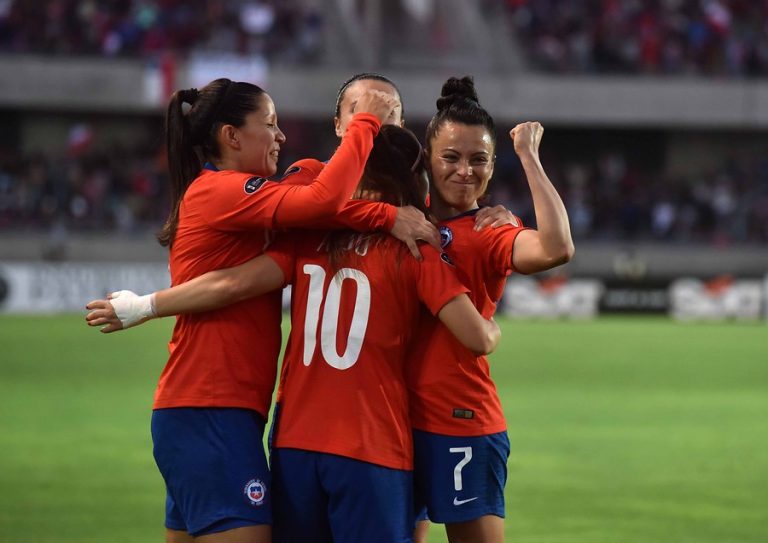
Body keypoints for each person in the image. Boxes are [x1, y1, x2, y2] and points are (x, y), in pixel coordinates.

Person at [86, 125, 504, 543]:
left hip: (295, 444)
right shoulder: (416, 250)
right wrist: (492, 325)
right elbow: (476, 339)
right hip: (370, 442)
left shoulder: (306, 239)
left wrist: (145, 305)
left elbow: (230, 284)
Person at [98, 76, 397, 543]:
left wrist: (391, 215)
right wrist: (365, 125)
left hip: (205, 409)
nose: (280, 136)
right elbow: (322, 203)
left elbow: (316, 223)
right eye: (270, 124)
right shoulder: (223, 191)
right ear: (231, 135)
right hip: (211, 406)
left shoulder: (236, 199)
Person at [409, 76, 574, 543]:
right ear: (428, 158)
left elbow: (557, 248)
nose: (465, 171)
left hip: (459, 420)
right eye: (451, 157)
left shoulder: (490, 232)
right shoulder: (402, 220)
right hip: (395, 421)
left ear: (493, 164)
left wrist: (529, 157)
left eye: (478, 159)